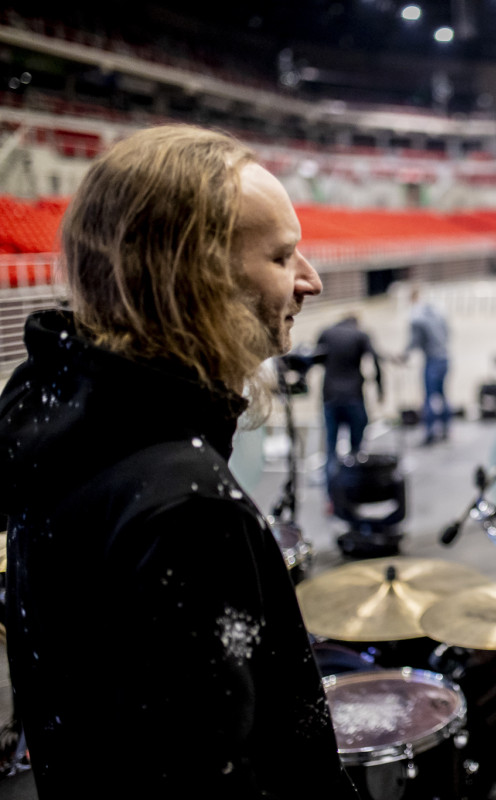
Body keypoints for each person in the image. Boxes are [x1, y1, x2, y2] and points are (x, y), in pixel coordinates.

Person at [0, 126, 359, 799]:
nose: (310, 279)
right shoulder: (189, 513)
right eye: (284, 256)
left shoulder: (56, 420)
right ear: (196, 282)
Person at [315, 313, 383, 490]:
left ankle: (331, 497)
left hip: (330, 396)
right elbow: (375, 360)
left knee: (331, 449)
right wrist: (380, 388)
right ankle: (353, 490)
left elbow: (316, 358)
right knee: (356, 449)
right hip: (353, 396)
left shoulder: (326, 333)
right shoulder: (360, 335)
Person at [404, 285, 451, 445]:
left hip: (432, 359)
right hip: (445, 358)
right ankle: (445, 429)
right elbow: (448, 333)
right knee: (443, 394)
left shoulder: (417, 317)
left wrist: (404, 354)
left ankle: (430, 433)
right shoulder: (438, 312)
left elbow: (414, 341)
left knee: (429, 397)